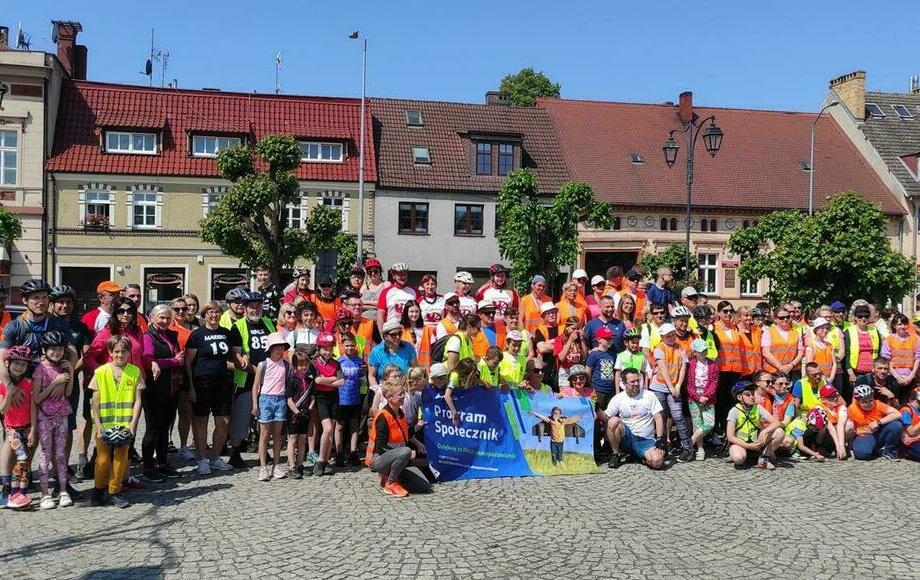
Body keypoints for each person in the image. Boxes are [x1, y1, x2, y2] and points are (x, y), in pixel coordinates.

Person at [89, 336, 145, 508]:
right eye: (117, 351)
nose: (120, 355)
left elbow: (137, 401)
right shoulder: (101, 372)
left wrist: (133, 425)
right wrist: (97, 425)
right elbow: (95, 402)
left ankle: (115, 490)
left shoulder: (135, 372)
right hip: (104, 425)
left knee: (121, 459)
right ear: (110, 352)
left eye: (124, 351)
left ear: (129, 353)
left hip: (124, 425)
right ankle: (99, 490)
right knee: (103, 460)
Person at [227, 291, 276, 468]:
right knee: (242, 416)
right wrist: (259, 373)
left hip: (270, 380)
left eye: (258, 305)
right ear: (245, 308)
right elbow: (237, 357)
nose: (255, 309)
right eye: (251, 306)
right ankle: (235, 451)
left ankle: (264, 450)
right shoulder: (238, 326)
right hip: (246, 379)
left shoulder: (270, 323)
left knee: (267, 417)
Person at [185, 301, 234, 475]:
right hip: (201, 383)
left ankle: (215, 457)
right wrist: (190, 386)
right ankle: (202, 458)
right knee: (201, 421)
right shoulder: (197, 335)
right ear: (204, 315)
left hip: (222, 383)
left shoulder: (226, 333)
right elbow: (188, 363)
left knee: (223, 421)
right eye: (210, 312)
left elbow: (232, 356)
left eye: (217, 312)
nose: (214, 315)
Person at [49, 284, 92, 483]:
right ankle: (46, 468)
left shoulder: (79, 327)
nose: (64, 305)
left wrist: (69, 373)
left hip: (70, 384)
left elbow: (87, 353)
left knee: (67, 427)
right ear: (53, 304)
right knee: (46, 427)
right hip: (46, 384)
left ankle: (63, 469)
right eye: (60, 302)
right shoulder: (46, 324)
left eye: (68, 302)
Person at [140, 304, 184, 482]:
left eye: (167, 317)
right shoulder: (148, 336)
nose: (165, 321)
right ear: (151, 317)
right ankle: (148, 467)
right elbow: (149, 362)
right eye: (161, 317)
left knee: (165, 427)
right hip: (154, 388)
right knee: (153, 428)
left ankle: (163, 463)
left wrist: (174, 361)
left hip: (171, 387)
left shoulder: (172, 334)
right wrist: (174, 361)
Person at [367, 381, 431, 497]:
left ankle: (390, 477)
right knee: (406, 451)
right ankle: (390, 483)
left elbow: (405, 435)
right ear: (389, 397)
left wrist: (417, 427)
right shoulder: (383, 417)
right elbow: (380, 448)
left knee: (424, 486)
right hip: (379, 460)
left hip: (398, 458)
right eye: (400, 394)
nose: (403, 397)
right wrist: (404, 453)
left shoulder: (400, 413)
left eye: (403, 393)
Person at [599, 368, 666, 469]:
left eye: (637, 380)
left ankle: (640, 457)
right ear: (624, 383)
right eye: (632, 382)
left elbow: (658, 417)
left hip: (646, 441)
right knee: (613, 421)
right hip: (626, 439)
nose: (636, 384)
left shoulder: (649, 395)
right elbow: (606, 417)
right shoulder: (618, 398)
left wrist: (660, 438)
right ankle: (615, 454)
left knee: (657, 462)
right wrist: (597, 409)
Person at [648, 323, 693, 462]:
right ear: (662, 337)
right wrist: (672, 387)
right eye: (668, 336)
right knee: (661, 417)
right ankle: (663, 447)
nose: (672, 337)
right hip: (659, 387)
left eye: (673, 334)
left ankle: (687, 448)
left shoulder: (680, 348)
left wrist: (678, 385)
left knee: (678, 416)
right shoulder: (659, 349)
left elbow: (683, 368)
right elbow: (663, 369)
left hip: (674, 387)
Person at [252, 332, 292, 481]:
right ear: (270, 348)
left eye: (281, 347)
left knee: (278, 436)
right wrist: (255, 404)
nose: (279, 349)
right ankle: (263, 467)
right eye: (276, 347)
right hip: (265, 399)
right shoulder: (263, 365)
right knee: (264, 435)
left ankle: (276, 465)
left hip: (280, 399)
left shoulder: (287, 365)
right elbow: (256, 386)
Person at [0, 346, 35, 509]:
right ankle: (12, 491)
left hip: (27, 426)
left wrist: (34, 429)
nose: (19, 367)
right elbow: (2, 410)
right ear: (8, 363)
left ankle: (21, 492)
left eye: (23, 364)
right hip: (12, 428)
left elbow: (33, 408)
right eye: (16, 363)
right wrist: (9, 393)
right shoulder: (3, 385)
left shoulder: (29, 384)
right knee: (21, 457)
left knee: (26, 460)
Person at [726, 380, 783, 470]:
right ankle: (748, 455)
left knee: (780, 432)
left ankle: (763, 458)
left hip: (756, 441)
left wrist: (764, 431)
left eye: (753, 394)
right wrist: (748, 446)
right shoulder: (734, 411)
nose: (752, 397)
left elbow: (777, 423)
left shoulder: (758, 407)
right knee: (738, 458)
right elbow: (730, 437)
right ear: (739, 397)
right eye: (748, 395)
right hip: (740, 443)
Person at [310, 333, 345, 476]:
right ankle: (319, 459)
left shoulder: (336, 363)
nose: (327, 351)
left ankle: (325, 461)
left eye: (329, 349)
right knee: (328, 428)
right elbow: (317, 381)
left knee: (331, 430)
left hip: (334, 397)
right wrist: (332, 380)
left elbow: (341, 381)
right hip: (321, 398)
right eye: (324, 349)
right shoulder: (314, 363)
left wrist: (326, 379)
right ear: (319, 348)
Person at [848, 383, 903, 461]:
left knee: (896, 425)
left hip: (878, 433)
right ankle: (872, 448)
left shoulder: (878, 404)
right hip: (863, 436)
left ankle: (888, 451)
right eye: (864, 402)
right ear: (857, 401)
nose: (868, 404)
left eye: (870, 400)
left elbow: (898, 414)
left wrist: (878, 422)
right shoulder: (852, 408)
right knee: (862, 454)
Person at [336, 333, 366, 467]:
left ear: (356, 346)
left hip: (355, 398)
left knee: (354, 426)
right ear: (342, 346)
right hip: (341, 398)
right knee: (340, 427)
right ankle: (339, 452)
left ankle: (353, 452)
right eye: (347, 345)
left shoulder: (360, 361)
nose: (349, 348)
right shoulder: (339, 361)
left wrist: (364, 371)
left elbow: (362, 379)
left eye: (352, 345)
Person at [687, 338, 718, 461]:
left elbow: (714, 382)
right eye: (701, 351)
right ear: (695, 352)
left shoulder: (712, 364)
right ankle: (700, 448)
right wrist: (697, 397)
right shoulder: (690, 364)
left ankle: (689, 442)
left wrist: (706, 396)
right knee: (697, 423)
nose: (704, 353)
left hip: (708, 399)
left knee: (709, 423)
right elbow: (689, 385)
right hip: (694, 398)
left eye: (705, 350)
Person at [714, 301, 743, 434]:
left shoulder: (735, 328)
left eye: (731, 311)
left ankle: (729, 428)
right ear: (719, 313)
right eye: (725, 311)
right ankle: (718, 427)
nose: (728, 313)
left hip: (735, 369)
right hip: (721, 369)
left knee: (732, 399)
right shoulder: (714, 328)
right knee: (720, 399)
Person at [285, 349, 313, 478]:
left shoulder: (309, 380)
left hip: (305, 414)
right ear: (295, 366)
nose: (303, 367)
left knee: (302, 440)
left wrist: (309, 409)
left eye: (305, 365)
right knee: (292, 439)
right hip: (294, 415)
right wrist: (297, 412)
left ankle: (300, 464)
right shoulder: (292, 380)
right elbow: (289, 400)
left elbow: (313, 398)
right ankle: (292, 466)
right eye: (300, 365)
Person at [844, 304, 881, 401]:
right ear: (855, 317)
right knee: (857, 399)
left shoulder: (875, 330)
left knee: (871, 399)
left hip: (872, 372)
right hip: (856, 373)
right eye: (860, 316)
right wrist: (851, 373)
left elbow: (879, 351)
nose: (863, 318)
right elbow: (847, 354)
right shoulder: (849, 331)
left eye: (866, 316)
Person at [369, 320, 418, 391]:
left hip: (405, 390)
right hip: (384, 392)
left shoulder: (408, 347)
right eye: (393, 334)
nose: (398, 337)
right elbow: (371, 376)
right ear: (385, 336)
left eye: (400, 333)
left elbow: (415, 370)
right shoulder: (376, 352)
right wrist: (378, 392)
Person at [761, 305, 804, 383]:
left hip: (792, 371)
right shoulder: (768, 332)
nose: (785, 319)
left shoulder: (796, 333)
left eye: (787, 317)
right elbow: (766, 353)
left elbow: (800, 352)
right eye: (781, 318)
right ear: (775, 319)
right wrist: (780, 367)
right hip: (773, 372)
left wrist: (791, 365)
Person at [882, 313, 919, 394]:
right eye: (899, 324)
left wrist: (911, 376)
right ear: (894, 326)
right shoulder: (888, 340)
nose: (902, 326)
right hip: (894, 378)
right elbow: (886, 361)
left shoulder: (915, 339)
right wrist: (898, 377)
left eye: (905, 324)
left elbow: (918, 358)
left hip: (911, 378)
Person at [376, 263, 418, 333]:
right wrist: (382, 335)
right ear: (393, 276)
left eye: (405, 274)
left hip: (409, 330)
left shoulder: (415, 291)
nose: (403, 277)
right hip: (392, 330)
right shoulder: (386, 292)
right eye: (400, 274)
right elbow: (380, 317)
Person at [444, 358, 483, 425]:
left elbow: (467, 390)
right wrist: (454, 412)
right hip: (450, 403)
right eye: (472, 373)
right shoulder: (454, 376)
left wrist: (483, 382)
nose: (474, 375)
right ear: (464, 372)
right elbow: (447, 396)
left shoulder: (468, 377)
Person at [554, 316, 588, 389]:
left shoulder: (580, 339)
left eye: (578, 328)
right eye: (573, 329)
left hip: (577, 369)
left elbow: (585, 356)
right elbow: (561, 358)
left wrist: (582, 341)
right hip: (565, 370)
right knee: (565, 393)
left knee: (578, 393)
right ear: (567, 327)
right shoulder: (559, 339)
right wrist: (570, 340)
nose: (576, 331)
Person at [805, 316, 838, 390]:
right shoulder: (811, 346)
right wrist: (822, 379)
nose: (825, 330)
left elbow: (834, 363)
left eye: (827, 328)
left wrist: (831, 378)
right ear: (816, 330)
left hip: (829, 380)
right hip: (815, 381)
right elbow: (810, 366)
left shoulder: (829, 345)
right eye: (822, 328)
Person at [736, 306, 762, 379]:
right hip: (742, 371)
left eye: (751, 315)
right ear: (739, 317)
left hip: (757, 371)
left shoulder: (757, 331)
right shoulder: (735, 331)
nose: (749, 318)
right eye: (746, 315)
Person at [899, 386, 920, 461]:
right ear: (911, 400)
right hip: (910, 441)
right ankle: (905, 452)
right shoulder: (906, 410)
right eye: (918, 401)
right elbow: (912, 432)